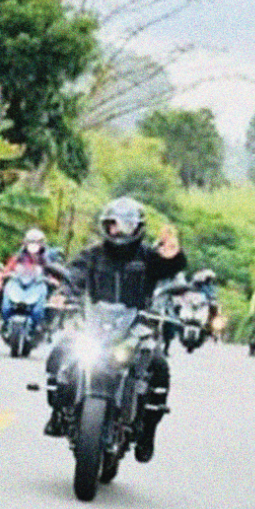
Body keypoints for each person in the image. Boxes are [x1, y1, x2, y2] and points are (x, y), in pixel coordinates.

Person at [43, 197, 186, 462]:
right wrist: (63, 294)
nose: (119, 231)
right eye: (113, 225)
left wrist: (174, 256)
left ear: (138, 228)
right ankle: (57, 412)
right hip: (95, 325)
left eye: (126, 226)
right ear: (105, 227)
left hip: (135, 328)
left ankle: (147, 434)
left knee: (159, 366)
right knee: (60, 351)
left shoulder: (147, 258)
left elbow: (171, 268)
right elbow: (74, 276)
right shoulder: (93, 255)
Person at [0, 227, 68, 325]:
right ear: (26, 243)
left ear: (42, 244)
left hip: (38, 286)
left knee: (48, 303)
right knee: (4, 290)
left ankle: (44, 324)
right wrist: (5, 274)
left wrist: (52, 280)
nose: (33, 246)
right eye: (31, 242)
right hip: (19, 285)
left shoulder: (46, 259)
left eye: (36, 242)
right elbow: (9, 268)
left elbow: (53, 272)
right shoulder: (19, 257)